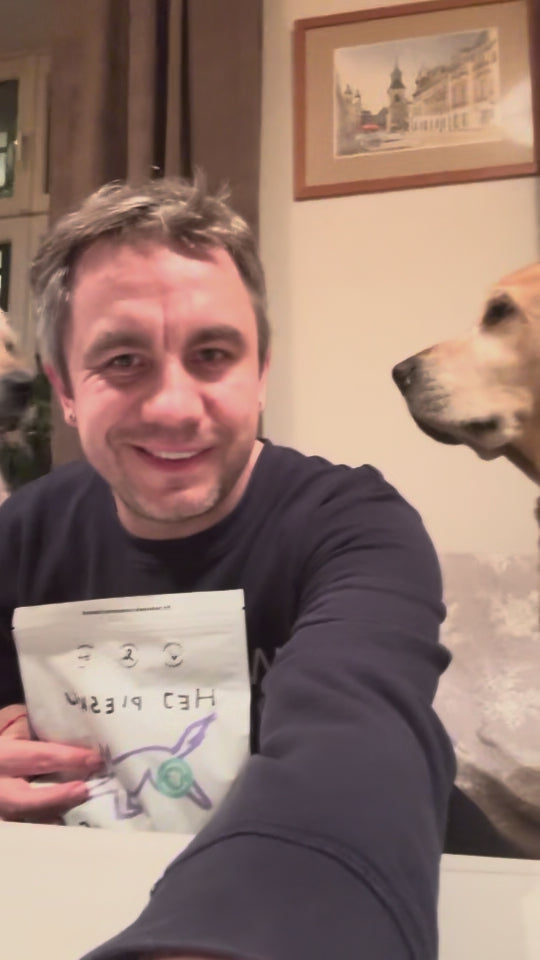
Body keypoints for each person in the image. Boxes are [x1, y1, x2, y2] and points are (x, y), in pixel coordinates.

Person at [0, 176, 454, 960]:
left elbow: (361, 745)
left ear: (262, 372)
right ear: (65, 389)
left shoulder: (357, 528)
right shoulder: (22, 534)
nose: (176, 407)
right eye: (123, 360)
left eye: (212, 355)